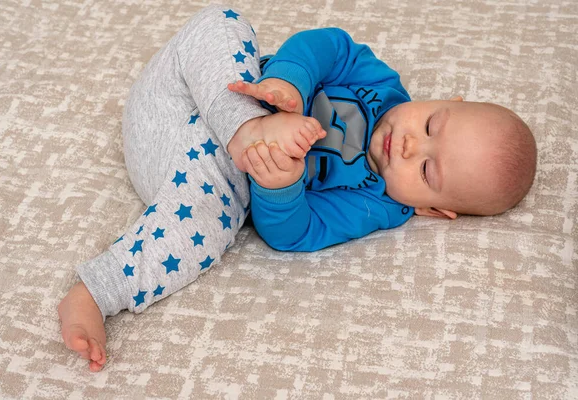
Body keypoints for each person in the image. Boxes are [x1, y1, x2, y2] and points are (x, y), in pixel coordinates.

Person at [57, 5, 537, 372]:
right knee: (223, 20)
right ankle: (244, 127)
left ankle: (98, 291)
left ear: (433, 209)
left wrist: (281, 183)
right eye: (432, 123)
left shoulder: (377, 204)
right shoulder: (379, 80)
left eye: (429, 171)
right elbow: (325, 45)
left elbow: (295, 233)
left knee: (212, 225)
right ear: (444, 99)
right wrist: (289, 80)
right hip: (189, 95)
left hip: (192, 175)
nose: (411, 145)